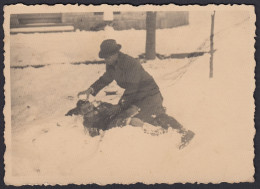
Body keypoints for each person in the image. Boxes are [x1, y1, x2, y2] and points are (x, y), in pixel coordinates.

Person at [78, 39, 195, 148]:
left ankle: (184, 132)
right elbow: (106, 78)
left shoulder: (130, 63)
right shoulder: (111, 64)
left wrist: (119, 106)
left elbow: (132, 88)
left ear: (115, 54)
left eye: (107, 57)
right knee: (134, 117)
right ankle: (163, 130)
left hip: (149, 94)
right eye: (104, 58)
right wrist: (91, 89)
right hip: (135, 96)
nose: (105, 60)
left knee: (151, 114)